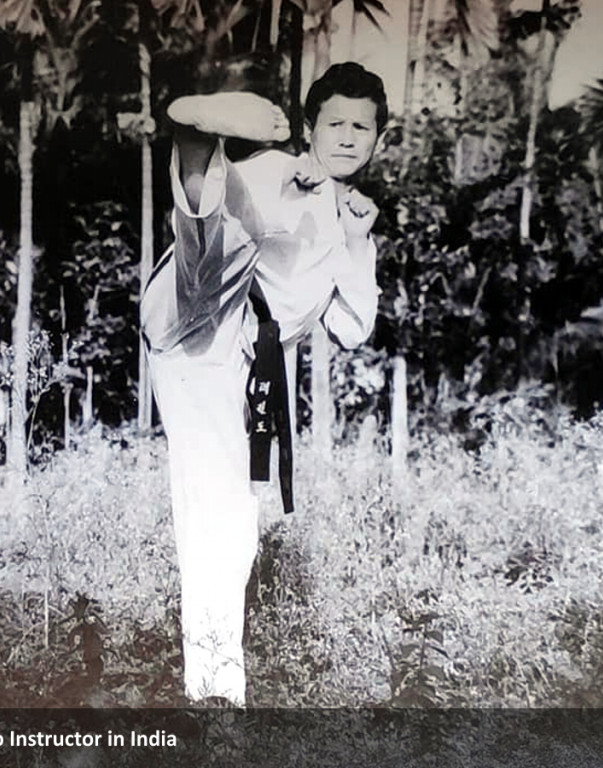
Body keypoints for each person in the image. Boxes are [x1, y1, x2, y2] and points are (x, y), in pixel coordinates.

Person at [140, 62, 387, 706]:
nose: (347, 136)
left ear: (379, 139)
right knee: (218, 235)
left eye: (361, 127)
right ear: (310, 128)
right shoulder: (283, 170)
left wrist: (356, 242)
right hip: (200, 321)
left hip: (231, 363)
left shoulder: (350, 218)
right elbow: (236, 222)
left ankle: (197, 144)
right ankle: (196, 141)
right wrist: (295, 184)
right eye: (334, 123)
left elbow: (353, 328)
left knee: (232, 519)